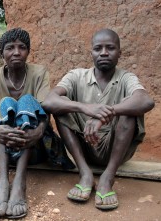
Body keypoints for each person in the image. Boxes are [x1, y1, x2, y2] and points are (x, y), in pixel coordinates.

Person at [42, 28, 155, 210]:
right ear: (91, 53)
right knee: (61, 104)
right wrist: (85, 107)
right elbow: (48, 101)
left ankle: (108, 177)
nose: (104, 52)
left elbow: (146, 100)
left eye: (110, 48)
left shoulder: (126, 78)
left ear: (119, 53)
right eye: (98, 48)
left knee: (130, 107)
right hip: (83, 147)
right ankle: (85, 173)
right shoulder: (76, 76)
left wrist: (105, 115)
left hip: (116, 150)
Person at [0, 28, 74, 218]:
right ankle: (2, 182)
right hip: (5, 145)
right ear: (2, 53)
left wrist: (39, 131)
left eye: (22, 47)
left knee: (26, 100)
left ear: (28, 51)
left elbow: (45, 108)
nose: (16, 52)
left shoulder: (39, 72)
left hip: (36, 145)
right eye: (10, 48)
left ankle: (19, 182)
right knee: (5, 103)